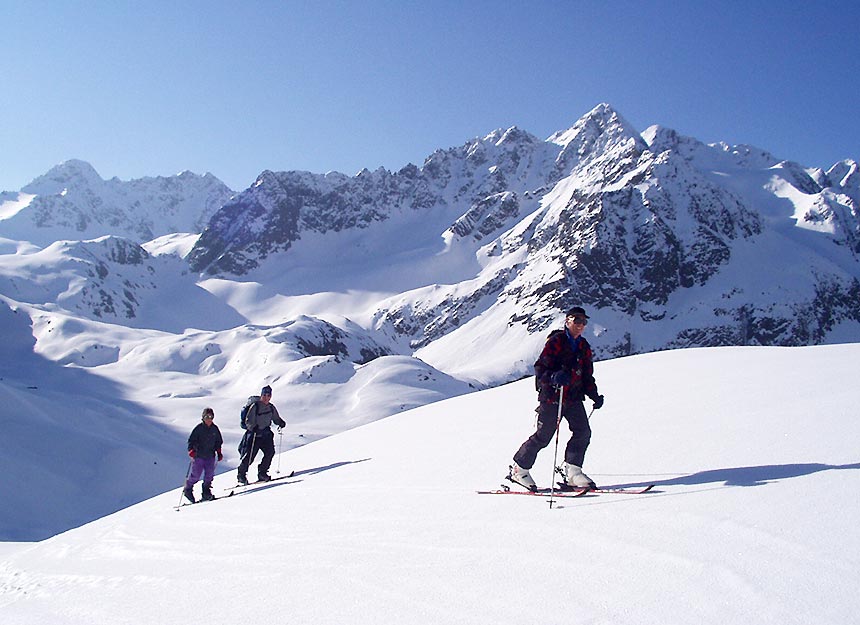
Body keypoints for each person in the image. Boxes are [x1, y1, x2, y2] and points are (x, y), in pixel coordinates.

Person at [510, 307, 605, 491]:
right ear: (567, 321)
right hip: (552, 397)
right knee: (543, 437)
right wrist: (554, 377)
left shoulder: (583, 346)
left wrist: (594, 395)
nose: (580, 325)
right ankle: (519, 469)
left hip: (574, 397)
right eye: (577, 321)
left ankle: (574, 472)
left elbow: (587, 376)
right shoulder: (556, 342)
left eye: (584, 322)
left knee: (583, 432)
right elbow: (540, 368)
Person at [237, 385, 286, 485]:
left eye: (268, 395)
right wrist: (253, 427)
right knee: (250, 457)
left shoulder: (271, 407)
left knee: (270, 452)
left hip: (266, 434)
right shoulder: (255, 406)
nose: (266, 397)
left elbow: (276, 418)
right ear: (261, 395)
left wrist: (280, 422)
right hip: (255, 435)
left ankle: (262, 473)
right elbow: (248, 421)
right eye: (265, 395)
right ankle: (241, 475)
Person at [184, 407, 224, 503]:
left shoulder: (215, 429)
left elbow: (218, 441)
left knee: (209, 475)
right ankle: (188, 489)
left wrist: (219, 452)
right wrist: (191, 450)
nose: (209, 419)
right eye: (207, 417)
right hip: (199, 456)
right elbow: (191, 441)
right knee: (196, 475)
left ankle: (206, 491)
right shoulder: (198, 429)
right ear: (203, 417)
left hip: (210, 455)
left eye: (211, 417)